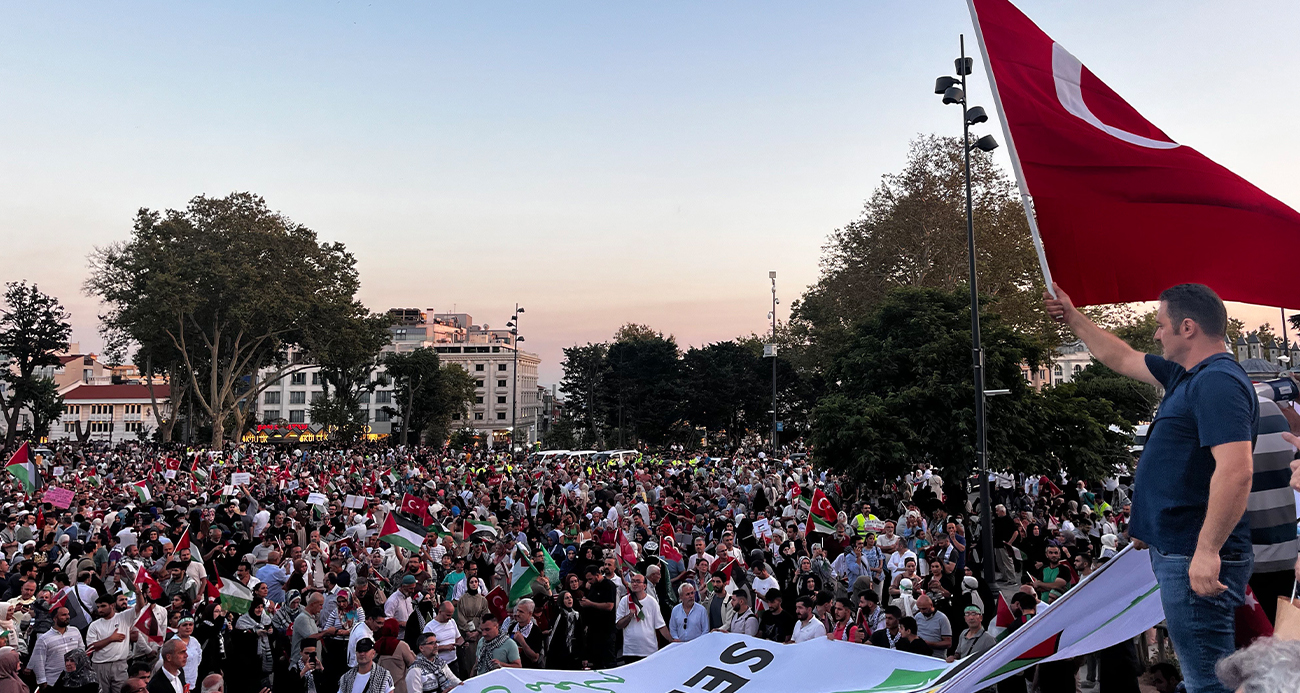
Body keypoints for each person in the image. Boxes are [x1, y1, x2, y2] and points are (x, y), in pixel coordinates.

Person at [1046, 282, 1257, 693]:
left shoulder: (1218, 383)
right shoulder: (1186, 376)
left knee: (1207, 681)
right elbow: (1120, 355)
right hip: (1180, 550)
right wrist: (1073, 316)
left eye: (1162, 326)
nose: (1157, 334)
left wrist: (1207, 550)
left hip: (1193, 555)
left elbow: (1236, 471)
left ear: (1188, 327)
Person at [615, 573, 668, 663]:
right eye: (632, 582)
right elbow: (618, 625)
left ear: (644, 586)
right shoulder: (625, 600)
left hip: (649, 650)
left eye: (638, 582)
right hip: (630, 650)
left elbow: (660, 625)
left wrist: (672, 640)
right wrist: (629, 616)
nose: (634, 584)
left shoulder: (652, 602)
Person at [86, 595, 133, 693]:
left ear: (112, 605)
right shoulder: (94, 625)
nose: (100, 610)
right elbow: (91, 647)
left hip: (120, 664)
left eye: (103, 606)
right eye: (98, 607)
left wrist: (138, 593)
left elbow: (140, 607)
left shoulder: (123, 617)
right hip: (100, 666)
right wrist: (111, 639)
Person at [31, 606, 85, 689]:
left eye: (68, 614)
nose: (67, 617)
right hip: (53, 682)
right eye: (63, 615)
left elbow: (82, 651)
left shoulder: (75, 631)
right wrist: (42, 681)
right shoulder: (44, 639)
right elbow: (38, 662)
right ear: (55, 619)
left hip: (75, 679)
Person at [578, 566, 615, 669]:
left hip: (606, 628)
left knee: (608, 658)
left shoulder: (608, 585)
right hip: (594, 628)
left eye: (590, 579)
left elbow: (609, 606)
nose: (589, 581)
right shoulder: (593, 586)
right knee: (595, 659)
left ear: (597, 575)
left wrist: (590, 604)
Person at [544, 591, 583, 670]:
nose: (569, 600)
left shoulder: (576, 615)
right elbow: (555, 636)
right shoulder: (559, 615)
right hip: (559, 654)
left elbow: (581, 635)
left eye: (570, 597)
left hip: (573, 652)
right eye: (566, 598)